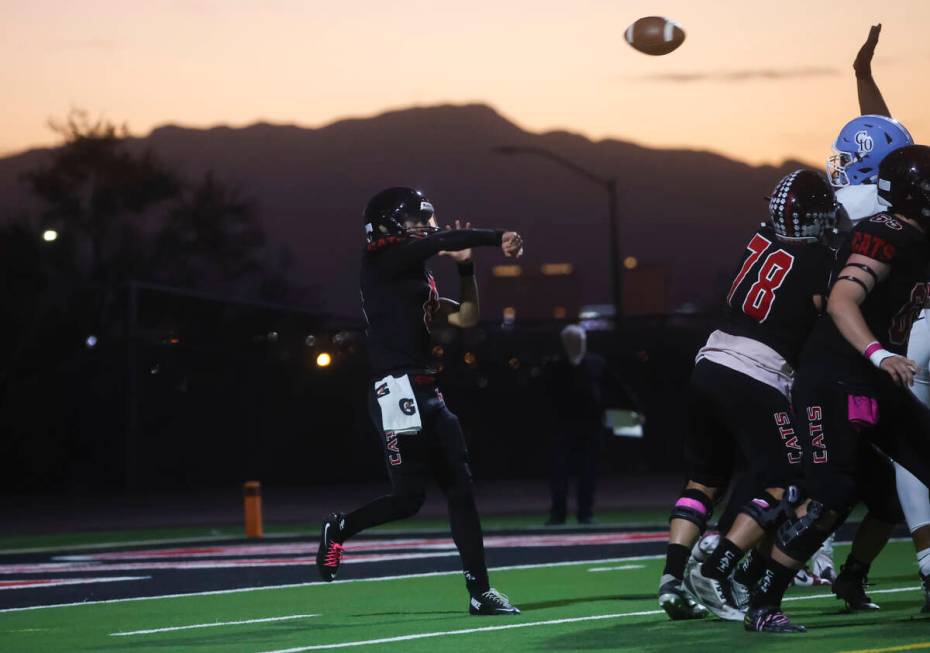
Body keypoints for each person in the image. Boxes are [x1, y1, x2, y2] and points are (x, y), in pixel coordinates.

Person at [744, 145, 930, 633]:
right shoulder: (884, 233)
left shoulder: (918, 235)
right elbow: (843, 301)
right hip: (837, 378)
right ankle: (762, 601)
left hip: (872, 379)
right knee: (833, 493)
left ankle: (852, 578)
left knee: (891, 494)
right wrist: (881, 353)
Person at [315, 187, 525, 616]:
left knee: (461, 490)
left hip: (429, 389)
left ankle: (480, 590)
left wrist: (467, 269)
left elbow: (465, 317)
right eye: (415, 220)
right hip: (395, 390)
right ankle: (341, 527)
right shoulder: (379, 260)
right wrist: (495, 236)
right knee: (408, 499)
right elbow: (436, 241)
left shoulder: (417, 274)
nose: (426, 226)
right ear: (390, 224)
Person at [658, 170, 837, 621]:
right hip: (756, 373)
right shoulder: (818, 258)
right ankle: (718, 569)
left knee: (704, 480)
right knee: (788, 479)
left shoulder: (759, 239)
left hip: (709, 359)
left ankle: (671, 578)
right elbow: (829, 314)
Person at [543, 324, 640, 526]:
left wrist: (634, 411)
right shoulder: (556, 366)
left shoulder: (596, 363)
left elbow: (617, 388)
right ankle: (558, 513)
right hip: (564, 427)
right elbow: (546, 398)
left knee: (588, 471)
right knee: (560, 472)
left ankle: (584, 512)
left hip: (591, 426)